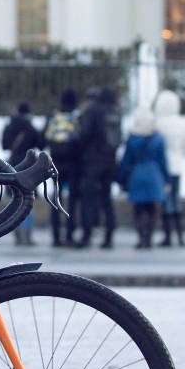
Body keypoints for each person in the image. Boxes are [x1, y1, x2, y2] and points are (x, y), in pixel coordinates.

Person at [73, 86, 120, 249]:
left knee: (88, 199)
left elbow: (83, 134)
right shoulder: (114, 112)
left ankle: (86, 235)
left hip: (92, 161)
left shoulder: (92, 111)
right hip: (110, 161)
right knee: (107, 199)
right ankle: (109, 236)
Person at [115, 108, 169, 250]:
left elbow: (126, 161)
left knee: (138, 209)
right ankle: (149, 238)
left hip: (137, 174)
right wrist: (167, 179)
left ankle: (140, 238)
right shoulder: (158, 139)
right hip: (154, 174)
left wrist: (120, 178)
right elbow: (163, 161)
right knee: (152, 209)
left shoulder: (132, 139)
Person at [152, 89, 185, 247]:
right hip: (177, 167)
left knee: (165, 202)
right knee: (176, 200)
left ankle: (167, 236)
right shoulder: (183, 124)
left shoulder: (157, 124)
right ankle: (180, 236)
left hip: (161, 168)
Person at [0, 101, 43, 245]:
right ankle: (27, 235)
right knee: (28, 200)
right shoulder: (30, 127)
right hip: (29, 166)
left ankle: (16, 233)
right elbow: (41, 143)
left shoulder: (9, 125)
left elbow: (5, 145)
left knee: (15, 200)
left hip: (12, 166)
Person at [42, 89, 80, 247]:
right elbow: (81, 138)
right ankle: (70, 234)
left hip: (55, 162)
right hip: (73, 162)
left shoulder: (53, 116)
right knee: (72, 201)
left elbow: (44, 136)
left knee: (56, 199)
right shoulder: (76, 117)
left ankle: (56, 236)